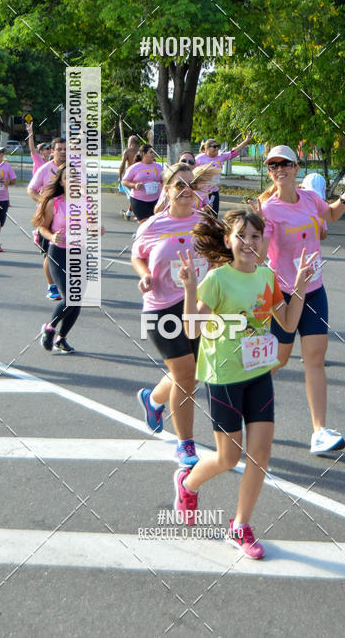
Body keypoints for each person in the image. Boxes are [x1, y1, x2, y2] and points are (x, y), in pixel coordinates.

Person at [173, 207, 317, 559]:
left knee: (262, 452)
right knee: (228, 457)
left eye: (255, 236)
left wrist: (298, 286)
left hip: (258, 373)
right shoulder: (217, 280)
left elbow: (287, 321)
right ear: (228, 240)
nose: (248, 242)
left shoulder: (267, 278)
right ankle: (187, 483)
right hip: (223, 376)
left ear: (265, 242)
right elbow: (192, 329)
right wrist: (191, 289)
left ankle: (240, 525)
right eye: (241, 236)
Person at [252, 145, 345, 455]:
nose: (279, 169)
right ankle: (239, 389)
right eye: (273, 165)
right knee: (279, 359)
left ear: (296, 168)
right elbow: (260, 257)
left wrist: (344, 200)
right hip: (282, 293)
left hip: (313, 289)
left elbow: (332, 216)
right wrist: (257, 226)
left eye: (285, 164)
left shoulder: (310, 198)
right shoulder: (267, 209)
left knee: (315, 357)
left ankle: (320, 432)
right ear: (269, 171)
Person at [133, 163, 210, 467]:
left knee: (188, 373)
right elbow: (137, 255)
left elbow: (219, 256)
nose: (186, 191)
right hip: (160, 308)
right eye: (180, 185)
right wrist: (144, 275)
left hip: (196, 305)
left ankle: (153, 401)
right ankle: (185, 445)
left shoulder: (205, 223)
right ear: (167, 190)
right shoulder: (152, 226)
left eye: (191, 185)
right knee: (186, 376)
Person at [33, 165, 77, 353]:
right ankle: (49, 328)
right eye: (69, 178)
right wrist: (51, 236)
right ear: (62, 181)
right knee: (70, 297)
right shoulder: (55, 203)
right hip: (58, 252)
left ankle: (61, 338)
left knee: (78, 300)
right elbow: (42, 227)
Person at [27, 137, 66, 300]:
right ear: (52, 151)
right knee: (49, 254)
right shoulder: (44, 169)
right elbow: (31, 190)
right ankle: (52, 286)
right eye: (59, 149)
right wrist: (44, 203)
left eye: (65, 149)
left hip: (68, 217)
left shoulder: (74, 169)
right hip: (48, 217)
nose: (63, 152)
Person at [195, 132, 253, 216]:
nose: (217, 149)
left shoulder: (220, 157)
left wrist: (246, 141)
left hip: (213, 192)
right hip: (201, 192)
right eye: (214, 147)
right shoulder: (199, 159)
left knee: (213, 215)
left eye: (218, 146)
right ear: (207, 148)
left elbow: (233, 152)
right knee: (202, 215)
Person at [122, 143, 163, 223]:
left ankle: (140, 235)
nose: (153, 154)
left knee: (153, 223)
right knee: (145, 223)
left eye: (153, 152)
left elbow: (163, 180)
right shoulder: (135, 167)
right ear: (144, 154)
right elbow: (124, 181)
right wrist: (134, 185)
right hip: (139, 200)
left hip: (155, 200)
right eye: (151, 152)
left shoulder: (158, 166)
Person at [0, 145, 17, 252]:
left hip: (3, 199)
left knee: (1, 222)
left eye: (2, 152)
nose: (0, 154)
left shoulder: (7, 166)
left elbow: (13, 180)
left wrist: (8, 181)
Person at [118, 135, 140, 220]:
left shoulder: (127, 151)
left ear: (130, 142)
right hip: (140, 174)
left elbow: (122, 165)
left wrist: (120, 176)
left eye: (128, 142)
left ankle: (129, 213)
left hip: (130, 176)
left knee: (133, 195)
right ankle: (129, 212)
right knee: (135, 194)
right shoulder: (141, 151)